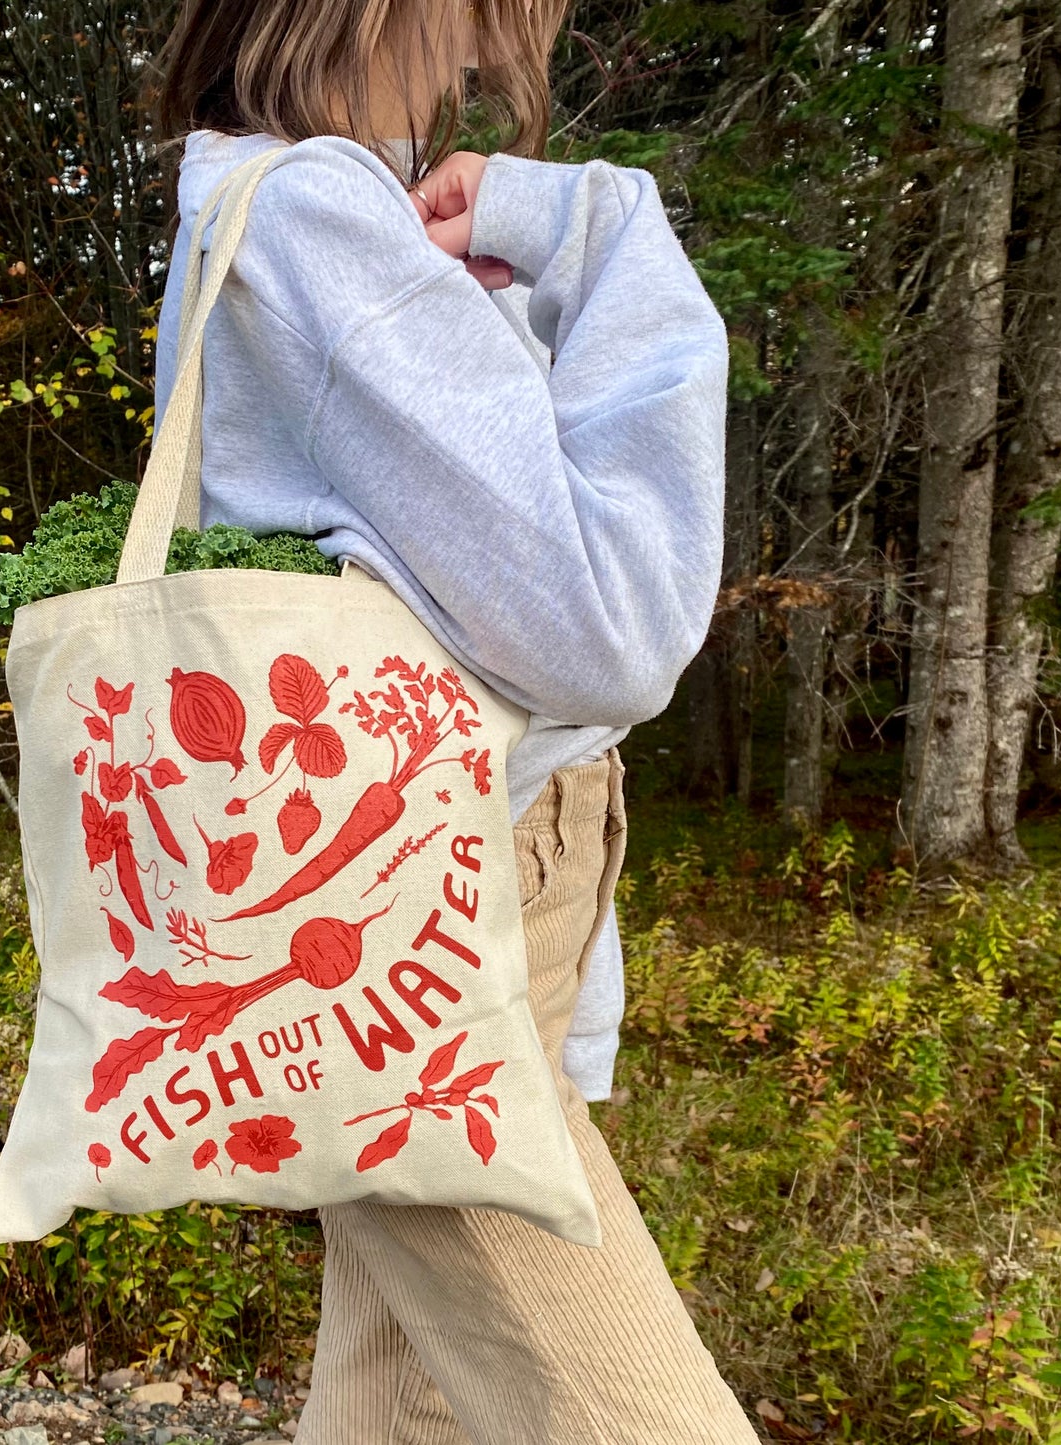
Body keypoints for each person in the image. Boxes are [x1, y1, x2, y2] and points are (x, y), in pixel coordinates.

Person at [150, 2, 756, 1440]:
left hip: (400, 882)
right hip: (430, 903)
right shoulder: (318, 219)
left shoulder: (296, 201)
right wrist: (604, 234)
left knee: (404, 1393)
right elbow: (611, 617)